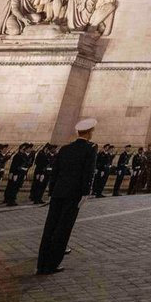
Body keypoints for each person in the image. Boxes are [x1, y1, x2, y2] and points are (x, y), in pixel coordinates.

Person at [36, 118, 97, 275]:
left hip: (58, 192)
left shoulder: (65, 149)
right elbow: (88, 172)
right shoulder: (90, 148)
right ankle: (51, 264)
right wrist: (86, 192)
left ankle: (41, 263)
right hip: (74, 194)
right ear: (89, 133)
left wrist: (51, 191)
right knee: (63, 229)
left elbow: (55, 172)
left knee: (50, 227)